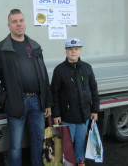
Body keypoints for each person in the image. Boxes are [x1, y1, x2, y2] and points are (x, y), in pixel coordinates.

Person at [0, 9, 53, 166]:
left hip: (37, 102)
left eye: (21, 20)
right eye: (15, 21)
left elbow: (44, 76)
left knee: (38, 142)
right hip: (17, 103)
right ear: (9, 25)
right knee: (15, 146)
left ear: (25, 23)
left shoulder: (34, 46)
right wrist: (6, 100)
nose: (19, 24)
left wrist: (48, 102)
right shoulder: (0, 49)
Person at [51, 38, 99, 166]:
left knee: (81, 141)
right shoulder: (59, 70)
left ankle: (80, 161)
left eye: (76, 49)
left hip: (84, 116)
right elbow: (54, 94)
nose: (73, 52)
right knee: (66, 143)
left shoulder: (87, 68)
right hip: (67, 117)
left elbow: (94, 90)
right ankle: (66, 163)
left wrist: (94, 110)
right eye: (70, 49)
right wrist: (56, 114)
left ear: (80, 51)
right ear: (66, 51)